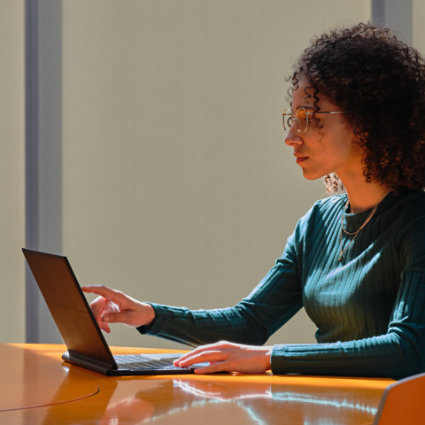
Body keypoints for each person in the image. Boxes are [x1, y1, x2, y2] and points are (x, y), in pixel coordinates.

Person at [83, 23, 425, 379]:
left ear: (366, 123)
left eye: (309, 119)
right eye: (292, 120)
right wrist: (150, 315)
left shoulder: (417, 223)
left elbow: (408, 350)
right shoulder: (318, 223)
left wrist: (270, 358)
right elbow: (249, 323)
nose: (291, 137)